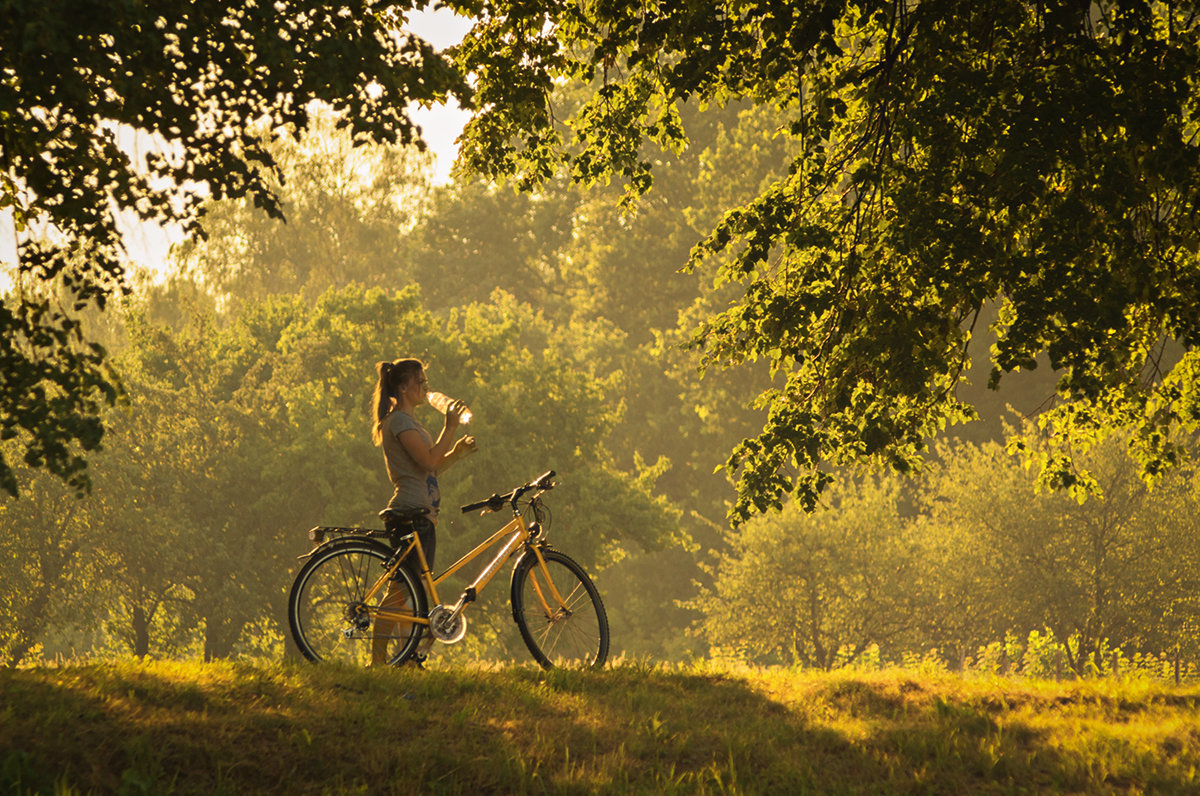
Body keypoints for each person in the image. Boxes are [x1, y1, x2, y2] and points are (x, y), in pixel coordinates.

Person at [369, 358, 477, 665]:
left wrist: (455, 455)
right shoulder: (400, 422)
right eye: (420, 382)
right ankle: (378, 660)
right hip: (410, 515)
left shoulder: (410, 422)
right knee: (400, 594)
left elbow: (430, 471)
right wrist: (450, 427)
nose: (425, 388)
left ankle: (405, 660)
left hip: (423, 515)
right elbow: (427, 462)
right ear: (403, 387)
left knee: (408, 596)